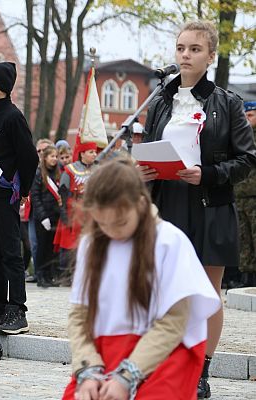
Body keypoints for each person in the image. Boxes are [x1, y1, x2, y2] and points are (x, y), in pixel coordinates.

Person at [138, 21, 256, 398]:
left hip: (209, 205)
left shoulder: (228, 102)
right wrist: (141, 169)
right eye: (180, 48)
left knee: (207, 292)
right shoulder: (159, 101)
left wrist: (207, 174)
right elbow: (144, 147)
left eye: (194, 49)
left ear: (210, 55)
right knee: (165, 291)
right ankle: (169, 362)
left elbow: (247, 159)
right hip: (166, 202)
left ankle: (201, 371)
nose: (185, 55)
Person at [63, 160, 221, 400]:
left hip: (167, 351)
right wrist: (88, 368)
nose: (112, 232)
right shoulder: (92, 243)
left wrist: (128, 375)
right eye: (102, 223)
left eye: (120, 222)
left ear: (140, 203)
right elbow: (79, 314)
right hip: (106, 349)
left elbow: (174, 321)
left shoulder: (168, 241)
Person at [0, 62, 39, 335]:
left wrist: (22, 190)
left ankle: (17, 309)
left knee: (12, 253)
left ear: (3, 86)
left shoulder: (13, 117)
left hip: (6, 194)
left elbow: (29, 157)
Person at [54, 137, 97, 280]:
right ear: (82, 153)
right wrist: (64, 214)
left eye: (95, 152)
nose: (94, 155)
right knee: (70, 244)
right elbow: (63, 193)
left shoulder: (97, 170)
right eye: (91, 152)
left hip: (91, 212)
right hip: (73, 212)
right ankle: (68, 275)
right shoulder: (70, 170)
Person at [30, 145, 61, 287]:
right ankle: (41, 275)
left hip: (56, 216)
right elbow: (35, 197)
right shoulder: (38, 173)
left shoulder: (58, 173)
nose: (54, 159)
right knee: (42, 247)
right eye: (52, 156)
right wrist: (43, 217)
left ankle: (49, 276)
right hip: (42, 218)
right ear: (45, 158)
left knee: (51, 248)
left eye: (56, 156)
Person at [234, 101, 256, 288]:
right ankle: (246, 276)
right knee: (243, 237)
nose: (248, 120)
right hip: (240, 194)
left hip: (254, 195)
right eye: (246, 116)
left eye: (251, 116)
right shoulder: (241, 137)